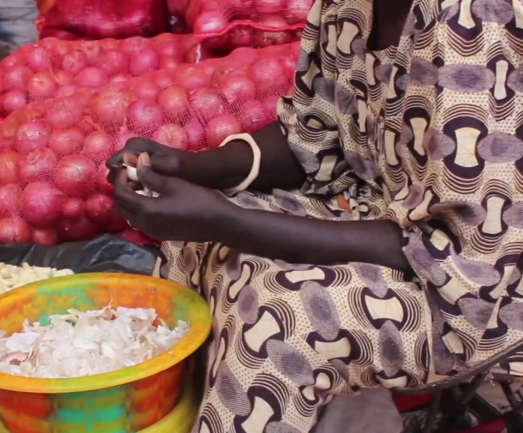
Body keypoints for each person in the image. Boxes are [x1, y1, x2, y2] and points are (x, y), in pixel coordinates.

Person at [107, 0, 523, 431]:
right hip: (379, 214)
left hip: (479, 292)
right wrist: (189, 167)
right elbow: (311, 136)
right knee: (199, 242)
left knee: (280, 320)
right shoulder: (347, 7)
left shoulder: (472, 23)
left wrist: (223, 219)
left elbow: (460, 249)